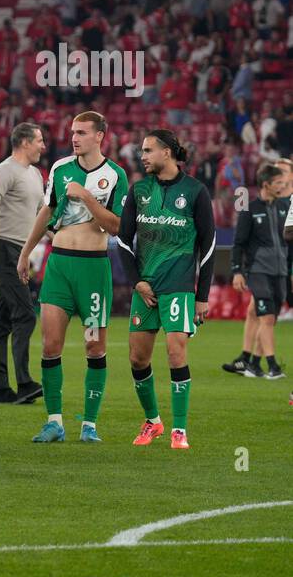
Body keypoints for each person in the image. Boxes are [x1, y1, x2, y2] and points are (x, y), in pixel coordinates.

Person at [17, 111, 129, 444]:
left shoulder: (116, 175)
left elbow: (117, 226)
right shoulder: (61, 169)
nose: (74, 138)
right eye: (72, 132)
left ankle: (89, 424)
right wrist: (25, 253)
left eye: (81, 132)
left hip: (93, 270)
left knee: (94, 348)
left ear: (100, 136)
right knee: (51, 345)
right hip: (60, 266)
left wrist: (89, 198)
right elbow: (48, 211)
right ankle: (54, 422)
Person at [118, 130, 216, 451]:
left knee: (176, 353)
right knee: (137, 358)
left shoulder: (195, 191)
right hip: (145, 287)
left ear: (167, 153)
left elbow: (209, 245)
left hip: (180, 285)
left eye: (148, 150)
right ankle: (153, 421)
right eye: (141, 150)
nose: (142, 156)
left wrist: (202, 295)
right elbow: (122, 240)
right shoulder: (139, 190)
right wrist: (137, 281)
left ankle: (180, 430)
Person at [0, 122, 47, 404]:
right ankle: (24, 383)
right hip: (2, 248)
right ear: (24, 142)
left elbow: (39, 216)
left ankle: (0, 389)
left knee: (2, 321)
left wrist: (62, 235)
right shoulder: (6, 170)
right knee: (25, 314)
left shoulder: (35, 174)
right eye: (39, 140)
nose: (43, 146)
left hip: (20, 252)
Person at [230, 163, 289, 380]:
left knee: (268, 318)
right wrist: (237, 271)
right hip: (258, 270)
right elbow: (239, 243)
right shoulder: (249, 209)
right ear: (266, 184)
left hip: (280, 271)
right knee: (266, 317)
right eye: (279, 183)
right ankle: (273, 366)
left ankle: (252, 363)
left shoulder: (283, 208)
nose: (283, 187)